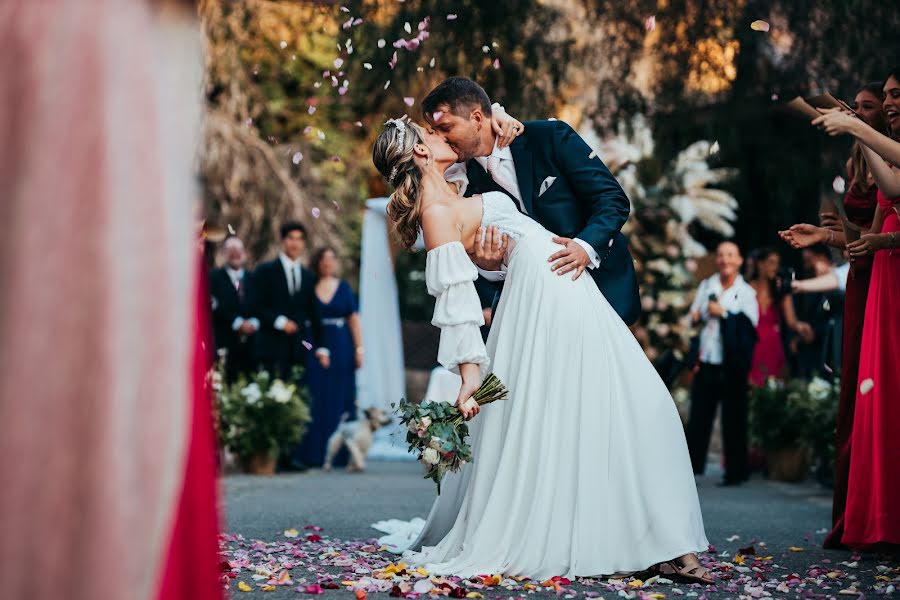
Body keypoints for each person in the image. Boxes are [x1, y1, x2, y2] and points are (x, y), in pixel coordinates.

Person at [369, 116, 711, 582]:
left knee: (629, 404)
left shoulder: (457, 183)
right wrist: (471, 374)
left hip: (562, 282)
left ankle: (655, 538)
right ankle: (654, 543)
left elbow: (488, 136)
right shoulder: (435, 212)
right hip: (545, 297)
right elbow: (456, 301)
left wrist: (500, 117)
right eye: (430, 134)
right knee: (622, 402)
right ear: (421, 153)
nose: (441, 135)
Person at [780, 73, 896, 548]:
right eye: (878, 100)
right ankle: (869, 510)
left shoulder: (878, 146)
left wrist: (881, 239)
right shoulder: (868, 155)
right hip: (876, 276)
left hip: (888, 274)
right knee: (865, 392)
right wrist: (829, 235)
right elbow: (864, 239)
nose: (883, 107)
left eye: (887, 99)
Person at [423, 77, 641, 327]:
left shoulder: (548, 137)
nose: (441, 138)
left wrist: (584, 246)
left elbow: (612, 199)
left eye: (446, 127)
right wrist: (490, 267)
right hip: (539, 313)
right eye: (435, 131)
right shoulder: (461, 182)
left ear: (476, 118)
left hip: (604, 290)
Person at [250, 222, 330, 471]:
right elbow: (254, 305)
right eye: (290, 238)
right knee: (272, 400)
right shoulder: (265, 271)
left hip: (297, 350)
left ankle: (287, 456)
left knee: (294, 400)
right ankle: (268, 455)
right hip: (271, 347)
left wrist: (322, 347)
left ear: (303, 243)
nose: (295, 243)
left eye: (299, 239)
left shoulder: (308, 277)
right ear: (283, 241)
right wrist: (279, 321)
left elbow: (314, 314)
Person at [685, 242, 759, 486]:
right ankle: (691, 468)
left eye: (730, 255)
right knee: (699, 416)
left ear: (739, 260)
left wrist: (724, 314)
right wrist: (698, 316)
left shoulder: (746, 292)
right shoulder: (707, 285)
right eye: (721, 255)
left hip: (732, 364)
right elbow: (693, 316)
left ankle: (736, 471)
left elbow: (750, 327)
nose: (725, 260)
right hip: (708, 358)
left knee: (734, 417)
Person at [295, 246, 363, 468]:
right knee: (314, 395)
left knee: (339, 395)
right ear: (317, 262)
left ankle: (340, 454)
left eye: (331, 258)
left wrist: (359, 349)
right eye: (323, 259)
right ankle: (312, 453)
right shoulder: (308, 287)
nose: (327, 262)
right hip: (313, 344)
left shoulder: (343, 288)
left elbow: (353, 319)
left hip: (341, 346)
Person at [745, 247, 813, 385]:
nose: (775, 267)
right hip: (751, 345)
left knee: (773, 391)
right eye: (771, 262)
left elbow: (791, 321)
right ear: (760, 264)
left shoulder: (780, 291)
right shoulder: (746, 288)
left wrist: (801, 326)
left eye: (777, 263)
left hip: (773, 346)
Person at [209, 236, 259, 381]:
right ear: (224, 254)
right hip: (225, 343)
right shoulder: (213, 278)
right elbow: (213, 305)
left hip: (252, 347)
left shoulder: (253, 278)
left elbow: (260, 304)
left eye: (238, 250)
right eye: (231, 250)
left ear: (244, 253)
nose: (235, 254)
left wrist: (254, 322)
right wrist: (236, 322)